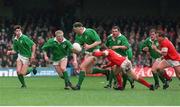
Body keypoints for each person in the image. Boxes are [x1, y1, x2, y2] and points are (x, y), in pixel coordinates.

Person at [72, 22, 108, 90]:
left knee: (82, 66)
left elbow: (98, 41)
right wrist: (75, 60)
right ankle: (105, 72)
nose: (75, 32)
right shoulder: (78, 35)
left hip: (95, 52)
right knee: (88, 71)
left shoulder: (90, 31)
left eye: (75, 30)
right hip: (88, 53)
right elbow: (75, 48)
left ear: (80, 28)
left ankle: (78, 86)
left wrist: (89, 46)